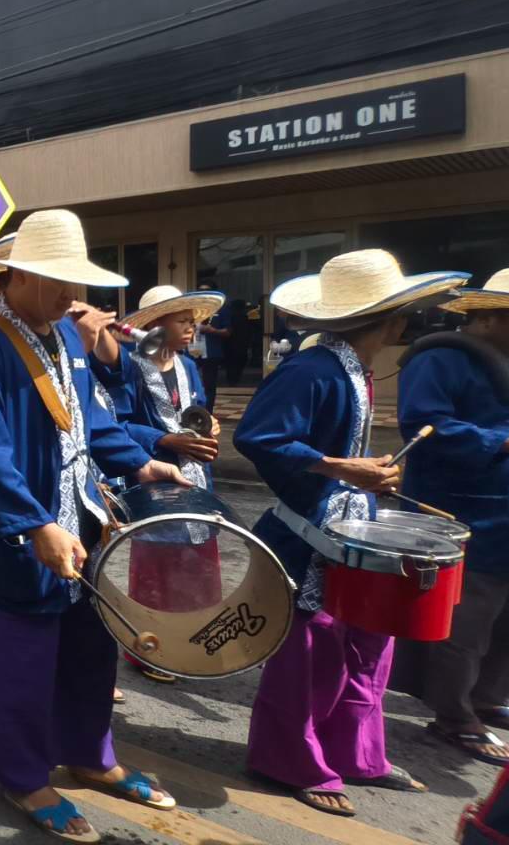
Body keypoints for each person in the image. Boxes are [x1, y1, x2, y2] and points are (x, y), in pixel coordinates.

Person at [0, 210, 187, 842]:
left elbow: (91, 422)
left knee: (90, 652)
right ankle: (24, 776)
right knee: (21, 664)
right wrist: (34, 525)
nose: (70, 294)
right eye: (57, 279)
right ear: (19, 275)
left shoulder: (65, 337)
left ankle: (90, 754)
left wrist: (141, 463)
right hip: (17, 539)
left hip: (84, 522)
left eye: (73, 280)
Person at [235, 249, 464, 817]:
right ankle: (291, 761)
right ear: (392, 321)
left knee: (369, 647)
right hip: (309, 535)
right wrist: (340, 467)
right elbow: (258, 437)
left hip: (351, 525)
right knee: (310, 655)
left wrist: (368, 475)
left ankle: (355, 752)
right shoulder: (311, 370)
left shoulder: (352, 367)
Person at [391, 267, 509, 765]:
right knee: (467, 621)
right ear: (487, 318)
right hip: (464, 511)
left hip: (507, 511)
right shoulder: (439, 359)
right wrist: (503, 442)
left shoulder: (507, 361)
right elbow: (424, 426)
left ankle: (488, 697)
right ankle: (454, 715)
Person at [108, 285, 226, 687]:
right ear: (156, 325)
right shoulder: (129, 366)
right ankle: (151, 648)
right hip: (154, 478)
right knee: (157, 570)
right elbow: (117, 424)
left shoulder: (188, 366)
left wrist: (210, 425)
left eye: (193, 321)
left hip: (195, 475)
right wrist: (163, 440)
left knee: (198, 565)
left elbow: (198, 409)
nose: (192, 328)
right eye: (183, 321)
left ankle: (193, 641)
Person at [196, 280, 230, 409]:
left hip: (211, 351)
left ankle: (207, 413)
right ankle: (192, 413)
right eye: (200, 291)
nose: (203, 293)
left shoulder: (221, 308)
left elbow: (228, 332)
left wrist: (213, 330)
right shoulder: (192, 308)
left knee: (209, 386)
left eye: (206, 290)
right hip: (192, 351)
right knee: (191, 383)